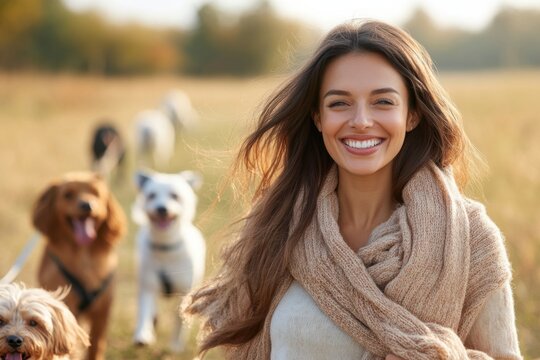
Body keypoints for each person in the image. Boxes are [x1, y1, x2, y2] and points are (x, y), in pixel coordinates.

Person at [184, 19, 522, 359]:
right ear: (318, 117)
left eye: (383, 102)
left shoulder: (469, 239)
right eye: (339, 103)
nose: (360, 120)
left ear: (412, 115)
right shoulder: (279, 225)